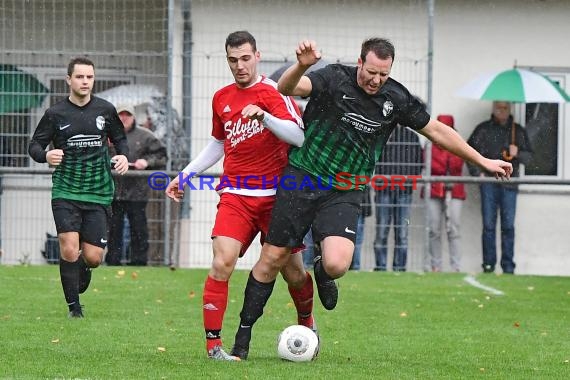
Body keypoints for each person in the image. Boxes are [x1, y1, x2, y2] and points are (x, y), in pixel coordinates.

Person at [230, 37, 513, 360]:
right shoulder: (334, 78)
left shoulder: (396, 98)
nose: (376, 80)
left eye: (383, 74)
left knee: (337, 263)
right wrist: (304, 64)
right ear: (360, 62)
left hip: (346, 189)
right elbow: (287, 87)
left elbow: (436, 131)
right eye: (371, 72)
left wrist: (484, 161)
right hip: (302, 178)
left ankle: (323, 272)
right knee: (272, 259)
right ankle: (242, 340)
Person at [164, 31, 315, 361]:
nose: (239, 66)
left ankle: (307, 323)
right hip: (236, 194)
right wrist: (185, 175)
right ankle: (214, 347)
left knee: (294, 273)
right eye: (233, 60)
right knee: (222, 262)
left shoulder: (274, 93)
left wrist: (265, 116)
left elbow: (298, 137)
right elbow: (218, 143)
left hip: (277, 197)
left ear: (257, 56)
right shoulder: (221, 97)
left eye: (245, 58)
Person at [28, 57, 129, 318]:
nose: (85, 81)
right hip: (66, 190)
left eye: (89, 77)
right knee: (69, 247)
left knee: (94, 257)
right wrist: (46, 156)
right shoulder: (55, 114)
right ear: (69, 80)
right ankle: (74, 308)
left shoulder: (105, 110)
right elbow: (35, 146)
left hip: (98, 191)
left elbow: (120, 139)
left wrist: (123, 156)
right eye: (80, 77)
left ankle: (82, 269)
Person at [467, 101, 532, 274]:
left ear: (509, 110)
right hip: (488, 183)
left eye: (504, 108)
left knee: (508, 226)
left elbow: (529, 158)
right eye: (498, 108)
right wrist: (476, 173)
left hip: (509, 184)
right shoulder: (483, 129)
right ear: (493, 109)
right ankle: (488, 265)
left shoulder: (517, 131)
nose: (501, 111)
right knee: (488, 225)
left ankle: (508, 266)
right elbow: (468, 152)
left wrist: (518, 153)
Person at [105, 104, 167, 266]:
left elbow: (161, 156)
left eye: (127, 115)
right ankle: (113, 261)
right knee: (113, 230)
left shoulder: (146, 136)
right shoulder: (107, 135)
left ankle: (139, 262)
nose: (124, 118)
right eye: (121, 115)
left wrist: (146, 162)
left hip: (137, 191)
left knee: (139, 229)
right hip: (113, 191)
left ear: (133, 117)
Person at [373, 123, 423, 272]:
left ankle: (399, 268)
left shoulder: (411, 137)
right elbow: (373, 158)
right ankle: (380, 267)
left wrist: (408, 182)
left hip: (403, 190)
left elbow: (418, 163)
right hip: (384, 189)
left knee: (402, 233)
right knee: (382, 231)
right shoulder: (382, 134)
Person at [423, 114, 466, 272]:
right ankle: (436, 265)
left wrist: (449, 150)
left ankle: (456, 266)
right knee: (434, 229)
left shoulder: (458, 142)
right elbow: (433, 166)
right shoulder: (429, 145)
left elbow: (457, 164)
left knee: (453, 228)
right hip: (434, 189)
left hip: (454, 190)